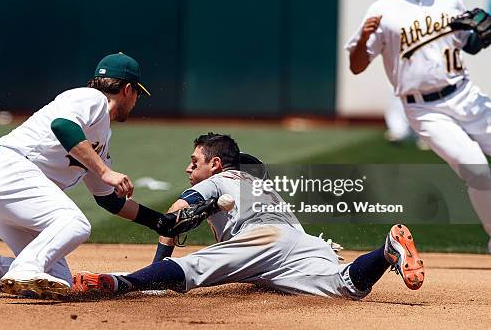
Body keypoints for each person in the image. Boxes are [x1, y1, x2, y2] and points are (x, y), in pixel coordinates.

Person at [0, 52, 178, 299]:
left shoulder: (100, 135)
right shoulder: (91, 98)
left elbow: (109, 200)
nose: (137, 101)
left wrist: (160, 222)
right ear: (128, 89)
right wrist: (105, 171)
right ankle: (25, 267)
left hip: (1, 185)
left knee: (59, 280)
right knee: (75, 223)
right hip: (11, 170)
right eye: (138, 93)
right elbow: (62, 126)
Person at [72, 133, 425, 299]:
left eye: (194, 162)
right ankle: (386, 251)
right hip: (301, 241)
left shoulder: (220, 179)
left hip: (262, 239)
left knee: (195, 268)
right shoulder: (258, 185)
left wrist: (164, 248)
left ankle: (123, 283)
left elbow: (172, 217)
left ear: (215, 164)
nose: (187, 167)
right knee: (346, 285)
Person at [345, 0, 491, 252]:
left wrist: (482, 36)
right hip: (426, 110)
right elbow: (357, 65)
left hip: (465, 94)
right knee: (477, 169)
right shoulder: (381, 10)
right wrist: (360, 40)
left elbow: (470, 43)